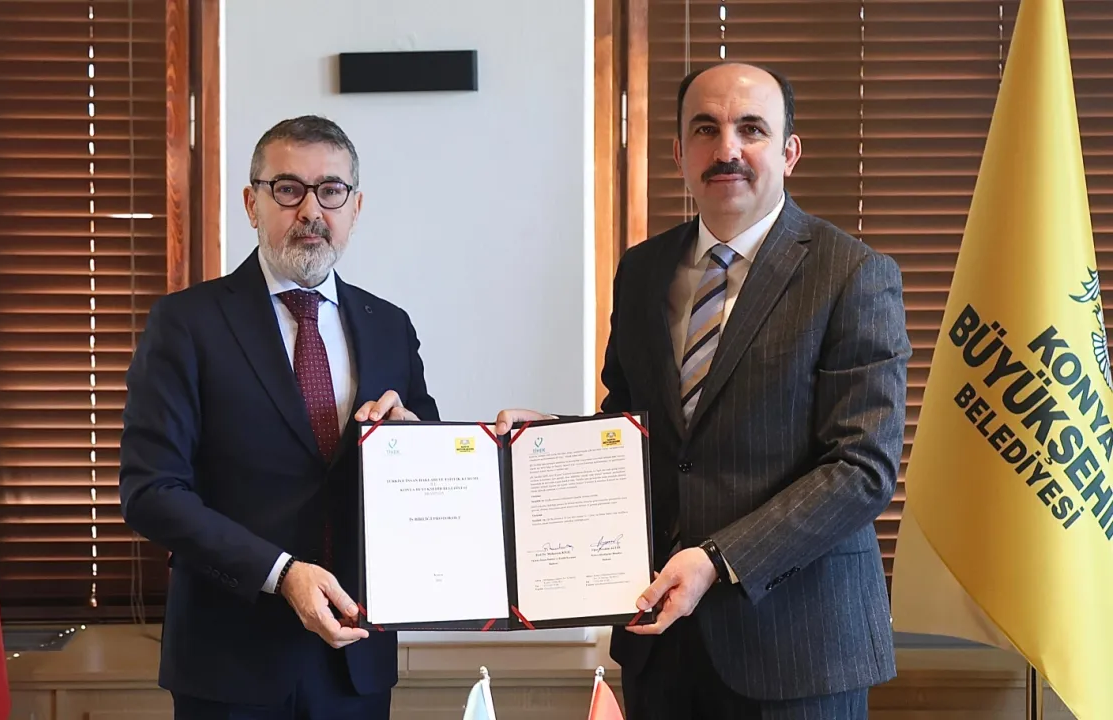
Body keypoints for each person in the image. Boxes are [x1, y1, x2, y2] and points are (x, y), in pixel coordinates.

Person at [496, 62, 910, 718]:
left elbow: (862, 469)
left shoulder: (853, 274)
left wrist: (719, 560)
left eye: (751, 129)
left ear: (789, 152)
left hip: (798, 651)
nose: (727, 149)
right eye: (706, 129)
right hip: (661, 643)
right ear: (679, 153)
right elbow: (634, 425)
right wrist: (552, 442)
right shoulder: (642, 270)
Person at [119, 115, 435, 720]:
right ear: (252, 203)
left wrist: (413, 445)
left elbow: (427, 475)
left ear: (355, 207)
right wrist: (282, 574)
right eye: (288, 189)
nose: (311, 210)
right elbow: (150, 492)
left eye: (331, 190)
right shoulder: (185, 324)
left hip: (356, 661)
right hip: (230, 665)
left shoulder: (390, 327)